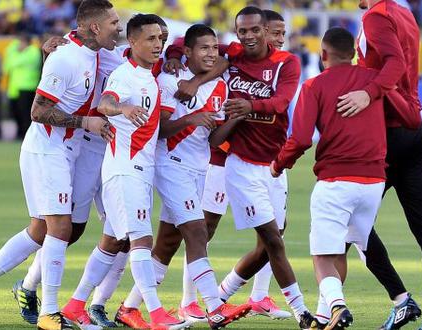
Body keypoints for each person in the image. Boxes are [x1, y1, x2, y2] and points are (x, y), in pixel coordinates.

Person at [0, 1, 119, 329]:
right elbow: (38, 111)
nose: (119, 27)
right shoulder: (66, 58)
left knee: (42, 230)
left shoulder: (88, 51)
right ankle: (49, 312)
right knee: (60, 228)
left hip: (65, 150)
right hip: (47, 149)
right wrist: (85, 122)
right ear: (96, 27)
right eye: (114, 22)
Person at [171, 6, 319, 329]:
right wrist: (173, 56)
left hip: (273, 165)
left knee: (273, 239)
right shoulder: (232, 55)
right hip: (226, 160)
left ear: (268, 32)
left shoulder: (285, 63)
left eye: (258, 31)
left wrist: (248, 106)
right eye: (243, 31)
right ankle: (189, 303)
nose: (250, 36)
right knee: (204, 228)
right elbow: (189, 42)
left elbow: (280, 104)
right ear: (237, 33)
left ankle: (227, 297)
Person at [118, 23, 253, 329]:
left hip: (197, 167)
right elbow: (160, 130)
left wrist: (236, 120)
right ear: (187, 51)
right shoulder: (169, 78)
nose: (211, 54)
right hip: (170, 164)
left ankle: (128, 309)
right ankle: (215, 308)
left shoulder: (220, 86)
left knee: (167, 242)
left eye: (215, 48)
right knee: (197, 231)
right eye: (204, 48)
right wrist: (191, 118)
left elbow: (215, 140)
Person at [336, 0, 422, 329]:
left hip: (384, 133)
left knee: (349, 222)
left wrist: (367, 92)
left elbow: (395, 63)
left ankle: (395, 300)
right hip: (414, 131)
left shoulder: (376, 15)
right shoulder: (404, 13)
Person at [273, 26, 393, 329]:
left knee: (322, 255)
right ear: (353, 53)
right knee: (340, 249)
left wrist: (278, 164)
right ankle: (325, 316)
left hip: (336, 180)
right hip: (374, 182)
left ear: (322, 54)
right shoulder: (374, 82)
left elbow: (300, 139)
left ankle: (338, 307)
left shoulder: (314, 86)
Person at [95, 13, 189, 330]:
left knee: (111, 243)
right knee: (141, 241)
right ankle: (157, 313)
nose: (157, 44)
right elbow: (105, 102)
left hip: (138, 170)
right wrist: (122, 108)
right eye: (150, 39)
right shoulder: (125, 76)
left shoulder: (148, 76)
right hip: (125, 169)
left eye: (160, 39)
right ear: (132, 41)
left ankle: (78, 305)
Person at [3, 33, 42, 140]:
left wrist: (13, 53)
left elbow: (12, 63)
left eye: (21, 42)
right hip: (14, 88)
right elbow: (7, 67)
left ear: (27, 43)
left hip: (27, 87)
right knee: (15, 112)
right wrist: (15, 46)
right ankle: (20, 133)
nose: (19, 45)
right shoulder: (18, 52)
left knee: (25, 114)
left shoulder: (33, 52)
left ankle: (27, 134)